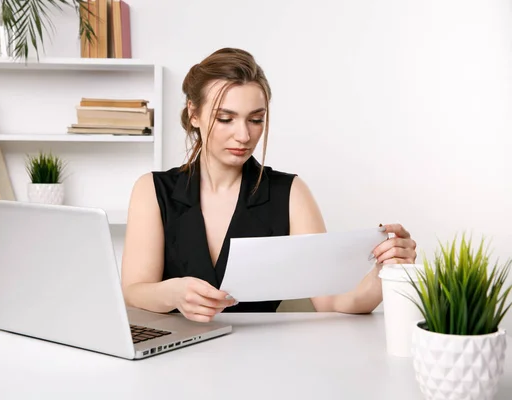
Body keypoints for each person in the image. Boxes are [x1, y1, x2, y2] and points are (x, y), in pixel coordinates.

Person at [121, 47, 417, 323]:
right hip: (171, 360)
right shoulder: (153, 190)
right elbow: (133, 291)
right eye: (225, 119)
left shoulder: (290, 193)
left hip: (264, 359)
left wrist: (385, 270)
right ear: (194, 113)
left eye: (256, 119)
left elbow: (332, 300)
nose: (244, 135)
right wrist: (174, 293)